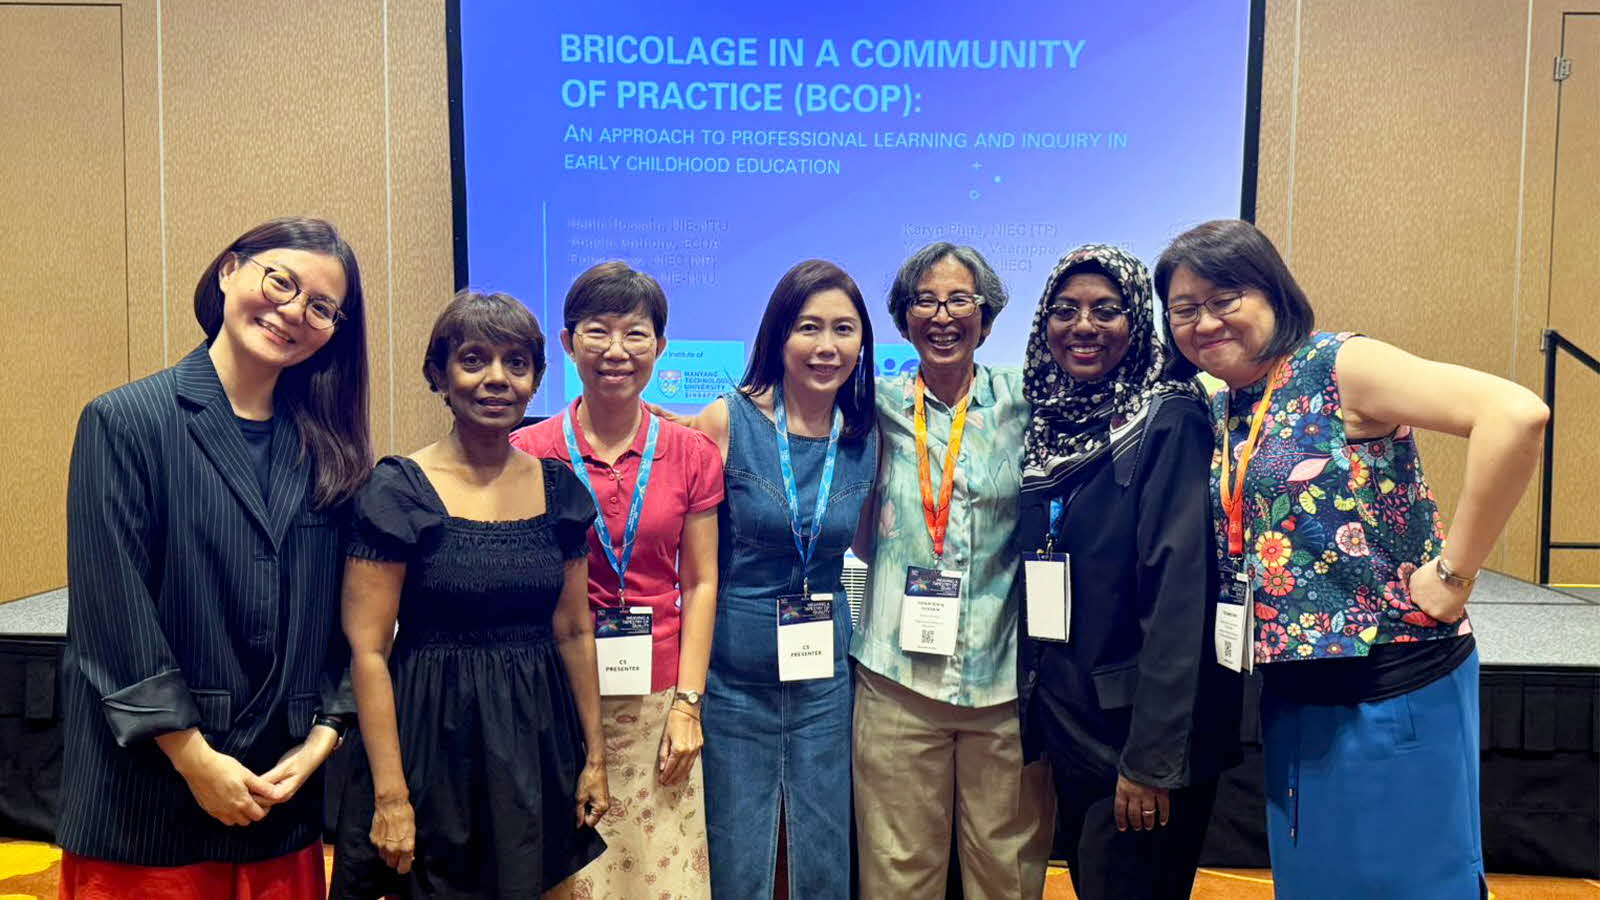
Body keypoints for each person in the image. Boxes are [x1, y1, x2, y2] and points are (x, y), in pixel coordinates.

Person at [1156, 219, 1548, 899]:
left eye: (1224, 298)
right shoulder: (1228, 404)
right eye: (1185, 309)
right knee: (1315, 883)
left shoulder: (1338, 364)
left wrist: (1454, 574)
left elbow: (1515, 415)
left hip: (1394, 681)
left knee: (1409, 883)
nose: (1206, 321)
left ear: (1273, 291)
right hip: (1294, 692)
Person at [58, 216, 369, 898]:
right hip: (146, 798)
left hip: (278, 793)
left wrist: (324, 734)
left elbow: (356, 619)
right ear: (229, 271)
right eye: (281, 282)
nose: (294, 311)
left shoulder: (330, 449)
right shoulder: (125, 420)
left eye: (322, 307)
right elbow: (113, 615)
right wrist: (195, 759)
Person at [330, 291, 609, 899]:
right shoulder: (397, 490)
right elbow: (369, 652)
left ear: (536, 379)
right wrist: (391, 796)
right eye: (474, 359)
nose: (497, 379)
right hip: (430, 744)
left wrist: (594, 757)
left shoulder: (559, 491)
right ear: (439, 375)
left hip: (535, 744)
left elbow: (573, 631)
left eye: (516, 363)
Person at [1015, 244, 1241, 899]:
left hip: (1138, 736)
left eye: (1106, 310)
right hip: (1074, 719)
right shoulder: (1051, 425)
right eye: (1065, 310)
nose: (1082, 326)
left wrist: (1150, 763)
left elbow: (1180, 598)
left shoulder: (1168, 419)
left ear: (1139, 321)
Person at [509, 262, 722, 898]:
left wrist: (688, 705)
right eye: (597, 331)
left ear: (660, 345)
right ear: (568, 342)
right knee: (576, 879)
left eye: (635, 333)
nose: (616, 350)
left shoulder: (691, 452)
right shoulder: (530, 452)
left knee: (660, 877)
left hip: (660, 703)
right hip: (561, 698)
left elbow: (701, 583)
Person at [851, 243, 1054, 899]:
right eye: (925, 301)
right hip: (896, 680)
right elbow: (781, 411)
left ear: (986, 319)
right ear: (904, 319)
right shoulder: (871, 407)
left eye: (959, 300)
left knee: (1007, 876)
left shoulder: (1027, 401)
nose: (942, 316)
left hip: (1004, 685)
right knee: (897, 875)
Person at [690, 259, 879, 899]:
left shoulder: (865, 436)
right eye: (808, 327)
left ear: (862, 342)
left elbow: (866, 541)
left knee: (821, 852)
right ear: (778, 335)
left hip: (823, 685)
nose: (827, 346)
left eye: (843, 329)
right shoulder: (727, 422)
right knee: (736, 854)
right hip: (733, 681)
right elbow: (694, 564)